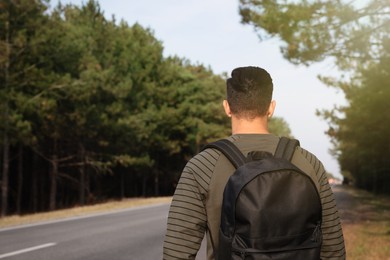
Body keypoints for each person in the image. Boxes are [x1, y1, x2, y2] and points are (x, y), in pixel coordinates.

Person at [163, 66, 345, 260]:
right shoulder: (309, 163)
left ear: (227, 107)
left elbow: (177, 253)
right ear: (271, 108)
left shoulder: (202, 166)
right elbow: (334, 251)